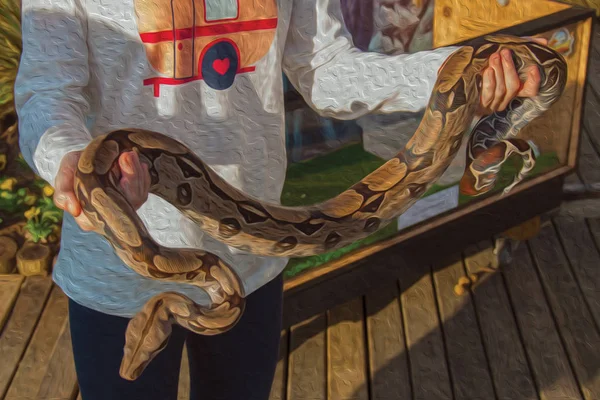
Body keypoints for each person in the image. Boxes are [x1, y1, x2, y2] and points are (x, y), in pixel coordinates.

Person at [14, 0, 545, 398]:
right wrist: (68, 157)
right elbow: (47, 90)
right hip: (116, 277)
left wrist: (459, 70)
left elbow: (327, 70)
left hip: (254, 261)